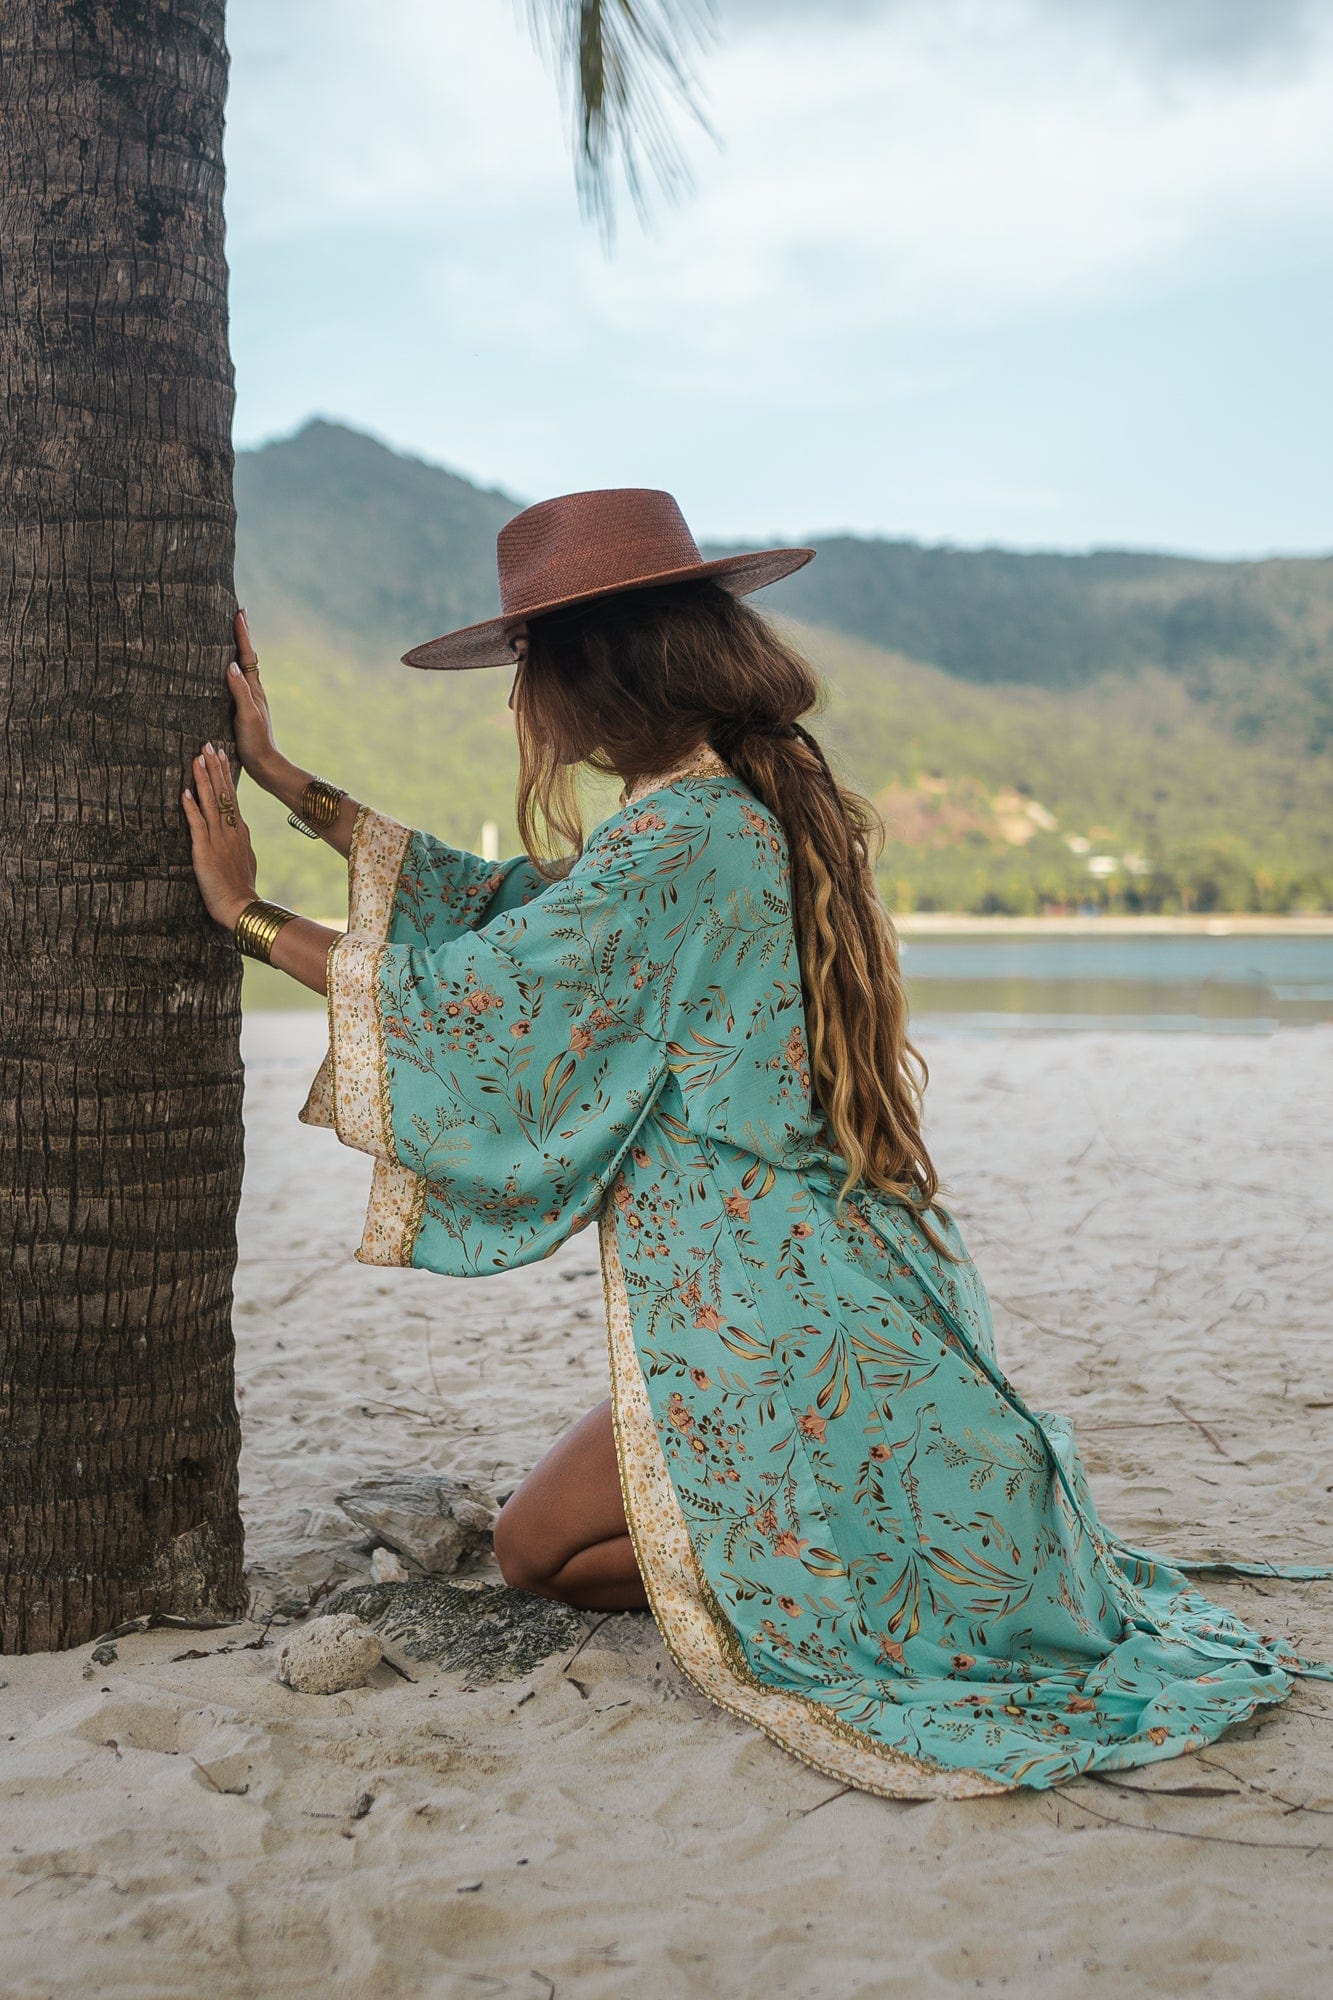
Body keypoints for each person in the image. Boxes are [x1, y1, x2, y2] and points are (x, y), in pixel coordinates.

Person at [184, 487, 1329, 1799]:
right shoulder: (735, 804)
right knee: (547, 1548)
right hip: (858, 1292)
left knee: (529, 1553)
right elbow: (515, 909)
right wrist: (289, 785)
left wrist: (245, 915)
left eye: (524, 670)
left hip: (778, 1319)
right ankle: (838, 1548)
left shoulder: (680, 837)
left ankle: (825, 1568)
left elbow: (485, 997)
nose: (515, 707)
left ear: (595, 673)